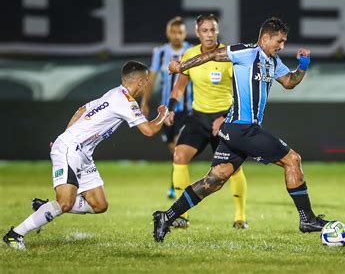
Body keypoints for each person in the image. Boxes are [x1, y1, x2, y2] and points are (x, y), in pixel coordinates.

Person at [152, 17, 328, 242]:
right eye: (279, 41)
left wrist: (303, 65)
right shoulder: (246, 52)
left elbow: (290, 82)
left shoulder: (273, 61)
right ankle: (308, 219)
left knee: (214, 180)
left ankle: (165, 217)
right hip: (243, 129)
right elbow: (213, 55)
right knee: (292, 160)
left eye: (284, 42)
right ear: (265, 37)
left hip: (235, 131)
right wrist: (181, 66)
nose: (282, 46)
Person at [3, 61, 169, 250]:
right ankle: (15, 234)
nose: (147, 85)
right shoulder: (125, 100)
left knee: (99, 205)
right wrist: (163, 114)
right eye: (147, 81)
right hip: (70, 149)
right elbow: (148, 130)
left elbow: (81, 110)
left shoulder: (113, 93)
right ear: (140, 81)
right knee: (65, 203)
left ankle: (45, 208)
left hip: (83, 153)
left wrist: (65, 134)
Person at [163, 14, 248, 229]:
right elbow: (180, 86)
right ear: (198, 33)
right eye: (205, 30)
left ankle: (240, 217)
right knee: (179, 156)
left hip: (225, 117)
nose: (210, 34)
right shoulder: (190, 55)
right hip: (198, 117)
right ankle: (182, 216)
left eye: (213, 30)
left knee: (233, 168)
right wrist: (171, 108)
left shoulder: (229, 55)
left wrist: (225, 117)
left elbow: (241, 93)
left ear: (217, 31)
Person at [141, 16, 192, 200]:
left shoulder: (191, 51)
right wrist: (144, 102)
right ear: (168, 33)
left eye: (180, 32)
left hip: (185, 109)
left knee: (179, 148)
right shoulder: (161, 53)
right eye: (174, 31)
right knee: (173, 149)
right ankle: (176, 181)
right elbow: (152, 79)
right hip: (165, 110)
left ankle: (177, 188)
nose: (177, 35)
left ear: (185, 33)